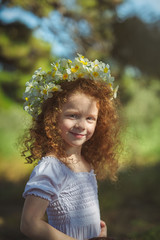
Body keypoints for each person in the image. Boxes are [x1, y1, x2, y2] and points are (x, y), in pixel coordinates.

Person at [20, 54, 120, 240]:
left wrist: (98, 234)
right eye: (73, 115)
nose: (82, 125)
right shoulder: (51, 168)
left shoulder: (85, 163)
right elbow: (29, 223)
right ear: (52, 117)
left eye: (90, 118)